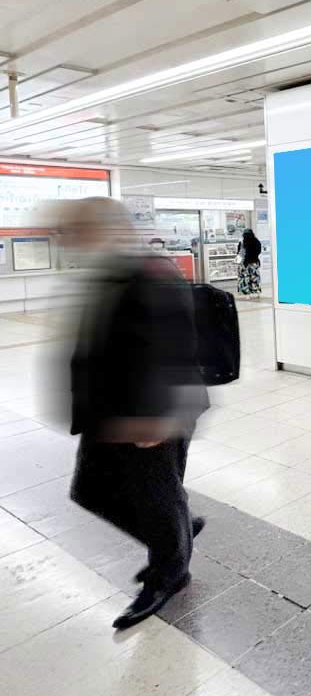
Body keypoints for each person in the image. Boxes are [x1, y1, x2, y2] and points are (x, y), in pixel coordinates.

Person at [61, 198, 209, 630]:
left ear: (107, 229)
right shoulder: (108, 273)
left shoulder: (152, 272)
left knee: (155, 495)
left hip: (151, 414)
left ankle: (171, 572)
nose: (71, 239)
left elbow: (179, 347)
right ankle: (178, 532)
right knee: (90, 490)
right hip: (110, 410)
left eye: (79, 229)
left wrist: (159, 417)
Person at [237, 229, 262, 297]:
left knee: (245, 278)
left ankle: (246, 294)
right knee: (255, 277)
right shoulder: (256, 241)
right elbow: (259, 251)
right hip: (254, 262)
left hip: (244, 263)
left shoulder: (242, 242)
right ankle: (257, 292)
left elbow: (238, 253)